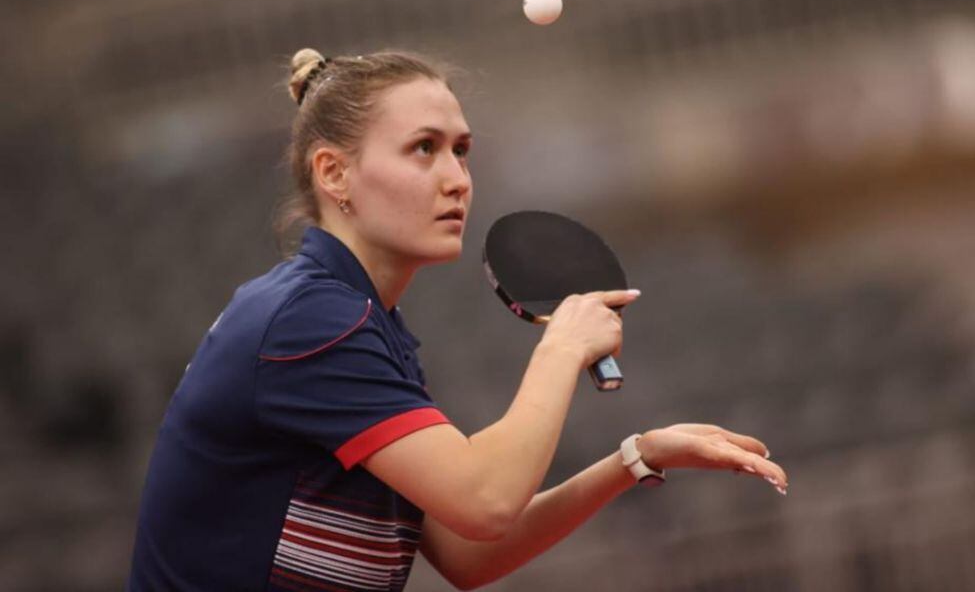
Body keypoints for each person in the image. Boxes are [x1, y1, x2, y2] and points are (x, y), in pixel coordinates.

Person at [127, 48, 788, 592]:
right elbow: (485, 498)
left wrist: (635, 456)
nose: (458, 178)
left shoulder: (364, 322)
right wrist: (560, 346)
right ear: (333, 173)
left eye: (462, 150)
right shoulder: (309, 321)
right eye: (424, 149)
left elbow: (468, 551)